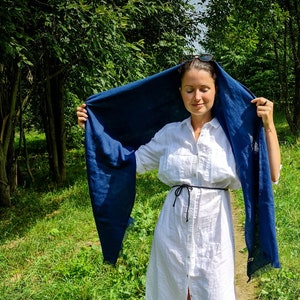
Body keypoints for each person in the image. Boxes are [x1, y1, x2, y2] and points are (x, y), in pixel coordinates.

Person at [77, 57, 281, 300]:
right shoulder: (169, 133)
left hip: (214, 233)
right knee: (170, 292)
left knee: (213, 291)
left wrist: (269, 125)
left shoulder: (232, 135)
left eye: (204, 89)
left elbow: (272, 173)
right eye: (190, 90)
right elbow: (131, 163)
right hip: (171, 233)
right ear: (180, 93)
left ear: (216, 90)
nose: (197, 97)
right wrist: (93, 130)